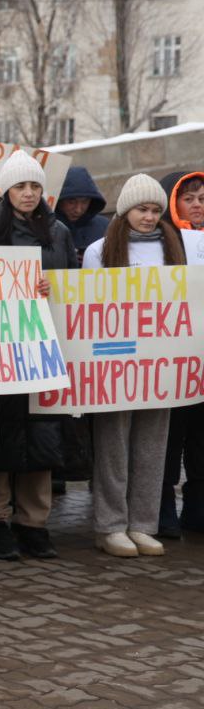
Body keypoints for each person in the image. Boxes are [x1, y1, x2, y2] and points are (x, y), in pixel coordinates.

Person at [0, 151, 76, 561]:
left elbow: (75, 291)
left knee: (42, 433)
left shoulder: (59, 232)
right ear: (5, 191)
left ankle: (34, 523)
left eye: (34, 186)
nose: (29, 193)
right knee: (0, 432)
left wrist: (56, 289)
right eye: (20, 186)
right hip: (1, 348)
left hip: (45, 347)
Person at [84, 175, 184, 557]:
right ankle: (110, 525)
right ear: (125, 210)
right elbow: (91, 306)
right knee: (113, 444)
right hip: (116, 359)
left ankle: (142, 523)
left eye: (156, 210)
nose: (149, 216)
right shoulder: (99, 250)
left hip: (160, 361)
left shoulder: (173, 248)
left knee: (152, 444)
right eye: (143, 209)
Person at [160, 170, 204, 536]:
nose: (197, 205)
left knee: (201, 440)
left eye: (202, 199)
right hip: (170, 358)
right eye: (188, 198)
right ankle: (163, 508)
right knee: (170, 439)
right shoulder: (160, 243)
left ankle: (197, 509)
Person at [56, 166, 109, 263]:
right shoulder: (44, 228)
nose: (78, 209)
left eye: (85, 202)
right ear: (59, 201)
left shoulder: (105, 226)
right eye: (71, 202)